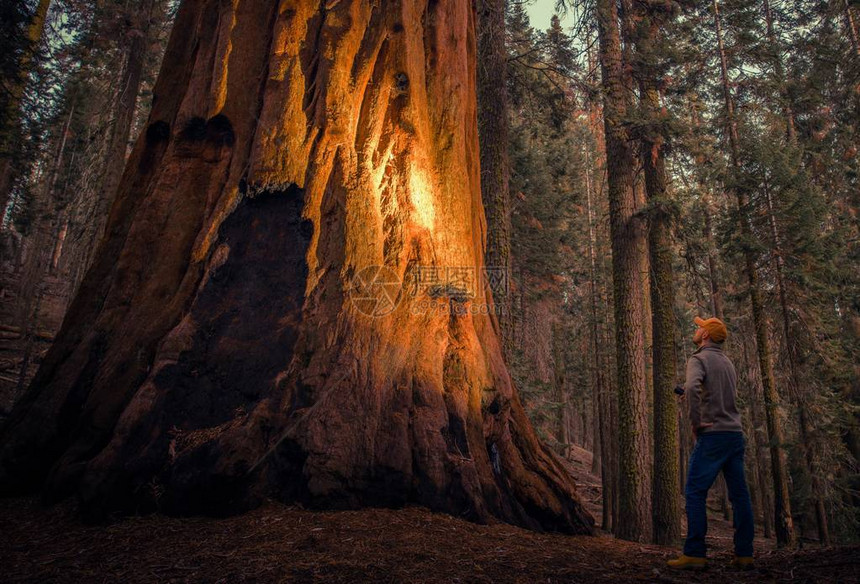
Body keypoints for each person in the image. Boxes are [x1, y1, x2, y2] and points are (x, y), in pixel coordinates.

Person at [667, 316, 755, 571]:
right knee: (740, 496)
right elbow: (711, 391)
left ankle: (694, 553)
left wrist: (696, 422)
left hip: (712, 435)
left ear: (706, 335)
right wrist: (689, 392)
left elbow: (695, 387)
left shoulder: (698, 359)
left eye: (700, 327)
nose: (697, 329)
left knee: (695, 492)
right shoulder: (727, 362)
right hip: (734, 435)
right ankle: (744, 554)